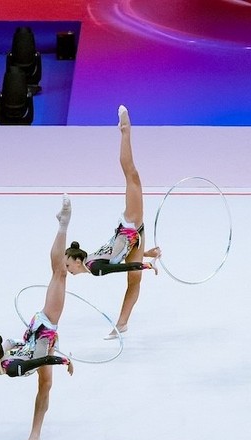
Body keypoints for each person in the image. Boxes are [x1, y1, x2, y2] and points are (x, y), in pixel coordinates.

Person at [0, 195, 75, 440]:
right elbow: (21, 350)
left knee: (59, 272)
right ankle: (35, 435)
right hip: (39, 338)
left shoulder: (8, 367)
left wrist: (60, 360)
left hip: (44, 331)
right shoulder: (4, 357)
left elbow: (34, 362)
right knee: (45, 386)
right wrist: (47, 351)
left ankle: (64, 222)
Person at [64, 105, 160, 338]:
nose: (68, 271)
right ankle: (122, 323)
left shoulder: (94, 266)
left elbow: (119, 264)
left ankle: (125, 131)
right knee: (134, 283)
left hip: (130, 227)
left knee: (131, 175)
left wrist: (143, 262)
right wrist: (143, 257)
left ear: (78, 261)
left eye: (68, 266)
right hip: (133, 236)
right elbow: (119, 261)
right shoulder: (93, 266)